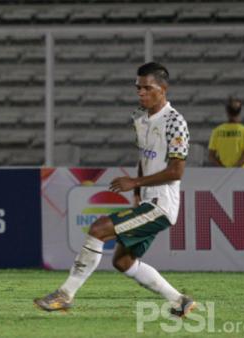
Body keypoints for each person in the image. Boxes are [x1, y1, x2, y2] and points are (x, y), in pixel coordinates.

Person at [34, 62, 196, 317]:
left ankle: (65, 295)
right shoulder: (140, 119)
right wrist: (137, 192)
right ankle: (179, 301)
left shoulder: (175, 122)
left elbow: (177, 171)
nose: (141, 93)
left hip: (162, 204)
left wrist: (135, 183)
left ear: (163, 89)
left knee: (98, 229)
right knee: (123, 261)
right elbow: (145, 158)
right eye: (138, 88)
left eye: (147, 88)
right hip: (147, 201)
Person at [208, 97, 244, 168]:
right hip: (241, 173)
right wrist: (234, 169)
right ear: (240, 112)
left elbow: (211, 156)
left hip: (222, 174)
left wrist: (223, 168)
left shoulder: (217, 131)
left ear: (227, 112)